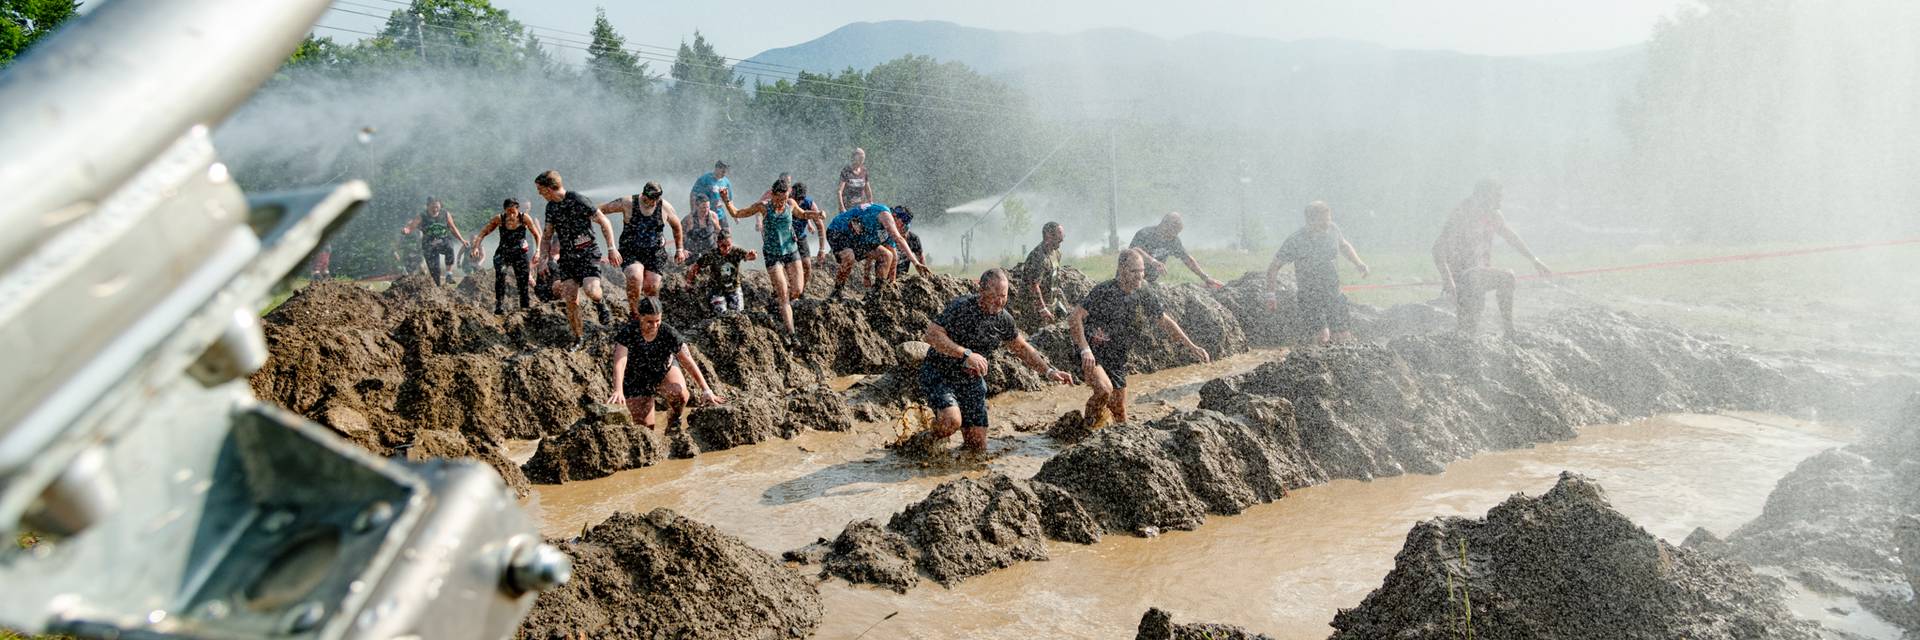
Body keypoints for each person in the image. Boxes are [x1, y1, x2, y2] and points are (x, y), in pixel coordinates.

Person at [920, 269, 1074, 453]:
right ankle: (922, 442)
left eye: (1003, 296)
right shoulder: (961, 307)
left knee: (977, 447)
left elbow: (1022, 348)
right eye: (994, 295)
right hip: (940, 373)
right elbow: (931, 335)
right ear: (981, 290)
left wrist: (1049, 371)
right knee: (951, 422)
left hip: (970, 380)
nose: (999, 301)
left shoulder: (1003, 319)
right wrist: (966, 354)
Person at [1072, 249, 1210, 426]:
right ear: (1121, 269)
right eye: (1134, 271)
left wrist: (1192, 346)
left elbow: (1164, 321)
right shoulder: (1104, 291)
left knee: (1120, 413)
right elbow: (1074, 317)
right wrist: (1085, 349)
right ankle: (1085, 427)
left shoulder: (1143, 292)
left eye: (1142, 270)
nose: (1139, 276)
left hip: (1117, 356)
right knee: (1104, 390)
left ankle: (1102, 427)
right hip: (1092, 353)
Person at [1432, 180, 1552, 336]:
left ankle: (1459, 346)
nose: (1501, 201)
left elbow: (1511, 237)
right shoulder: (1462, 213)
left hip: (1479, 277)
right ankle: (1509, 332)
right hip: (1463, 276)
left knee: (1468, 329)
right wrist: (1448, 280)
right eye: (1498, 196)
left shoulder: (1493, 215)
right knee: (1507, 277)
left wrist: (1534, 260)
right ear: (1484, 196)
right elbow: (1437, 249)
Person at [723, 178, 824, 335]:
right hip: (772, 254)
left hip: (791, 250)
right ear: (772, 194)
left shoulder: (790, 204)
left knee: (797, 290)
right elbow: (737, 213)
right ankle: (791, 332)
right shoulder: (763, 207)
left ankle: (780, 307)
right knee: (783, 294)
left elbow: (803, 214)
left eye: (784, 198)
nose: (780, 202)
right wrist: (726, 200)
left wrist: (817, 214)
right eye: (778, 198)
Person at [608, 298, 725, 432]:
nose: (654, 326)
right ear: (640, 317)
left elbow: (688, 361)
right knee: (646, 428)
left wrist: (706, 390)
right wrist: (618, 390)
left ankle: (674, 420)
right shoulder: (628, 332)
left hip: (663, 370)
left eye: (658, 321)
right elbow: (620, 362)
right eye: (649, 322)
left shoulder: (668, 332)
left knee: (679, 394)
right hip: (636, 377)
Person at [534, 169, 619, 349]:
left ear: (549, 188)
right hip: (568, 257)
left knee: (591, 290)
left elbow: (604, 221)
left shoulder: (577, 200)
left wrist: (611, 248)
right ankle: (578, 338)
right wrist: (542, 259)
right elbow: (547, 235)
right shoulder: (551, 207)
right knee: (570, 298)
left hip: (588, 253)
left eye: (540, 190)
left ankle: (600, 303)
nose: (539, 194)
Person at [1266, 201, 1370, 345]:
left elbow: (1344, 246)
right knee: (1322, 338)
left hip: (1334, 292)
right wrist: (1271, 295)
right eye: (1323, 222)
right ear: (1310, 221)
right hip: (1309, 297)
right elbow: (1273, 268)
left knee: (1343, 337)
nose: (1327, 225)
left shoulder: (1333, 229)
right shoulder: (1296, 240)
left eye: (1329, 220)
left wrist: (1359, 263)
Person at [600, 181, 688, 318]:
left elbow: (677, 227)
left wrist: (679, 249)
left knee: (651, 286)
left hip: (655, 252)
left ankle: (652, 316)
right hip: (631, 250)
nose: (653, 203)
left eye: (656, 200)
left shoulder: (664, 207)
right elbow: (600, 211)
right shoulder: (628, 202)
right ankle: (634, 314)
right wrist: (611, 247)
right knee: (635, 276)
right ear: (643, 195)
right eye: (650, 199)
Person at [826, 202, 928, 298]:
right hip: (839, 231)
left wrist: (893, 283)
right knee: (849, 257)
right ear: (897, 218)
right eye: (903, 225)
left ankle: (877, 293)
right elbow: (899, 238)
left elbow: (894, 257)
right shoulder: (885, 214)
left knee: (887, 255)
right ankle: (837, 291)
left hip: (859, 239)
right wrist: (915, 263)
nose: (901, 228)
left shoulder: (887, 230)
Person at [469, 198, 544, 314]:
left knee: (522, 280)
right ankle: (499, 305)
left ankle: (524, 306)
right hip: (503, 253)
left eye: (513, 211)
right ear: (505, 210)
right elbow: (483, 232)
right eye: (508, 211)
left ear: (517, 209)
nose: (511, 215)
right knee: (500, 277)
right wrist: (475, 247)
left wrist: (538, 250)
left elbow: (537, 235)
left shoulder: (524, 218)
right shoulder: (500, 218)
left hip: (520, 254)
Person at [1129, 212, 1224, 288]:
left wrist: (1205, 277)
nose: (1172, 236)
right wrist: (1152, 261)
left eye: (1176, 233)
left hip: (1150, 283)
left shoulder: (1173, 240)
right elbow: (1133, 251)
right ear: (1164, 225)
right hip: (1130, 280)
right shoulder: (1145, 234)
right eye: (1171, 232)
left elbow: (1187, 259)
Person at [1012, 221, 1068, 332]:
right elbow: (1034, 285)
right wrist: (1042, 309)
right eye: (1059, 236)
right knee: (1037, 337)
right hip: (1033, 308)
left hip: (1049, 304)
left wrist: (1057, 302)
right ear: (1049, 235)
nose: (1062, 239)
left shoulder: (1056, 253)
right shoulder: (1038, 257)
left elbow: (1054, 279)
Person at [401, 197, 466, 286]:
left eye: (437, 207)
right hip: (429, 245)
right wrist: (406, 230)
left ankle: (449, 275)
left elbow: (453, 228)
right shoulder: (422, 216)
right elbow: (411, 226)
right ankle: (437, 287)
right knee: (435, 271)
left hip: (442, 240)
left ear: (440, 206)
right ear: (427, 206)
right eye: (433, 207)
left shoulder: (445, 214)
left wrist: (462, 240)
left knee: (450, 247)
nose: (435, 209)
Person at [689, 229, 756, 315]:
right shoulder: (712, 255)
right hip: (717, 290)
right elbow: (696, 266)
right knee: (721, 314)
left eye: (729, 245)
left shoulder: (736, 251)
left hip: (734, 289)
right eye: (723, 246)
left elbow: (748, 256)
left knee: (738, 314)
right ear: (718, 243)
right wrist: (689, 282)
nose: (727, 248)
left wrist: (752, 255)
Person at [689, 160, 733, 229]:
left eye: (726, 172)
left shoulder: (726, 182)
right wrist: (693, 212)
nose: (724, 174)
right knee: (708, 237)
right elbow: (693, 195)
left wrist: (734, 214)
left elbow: (729, 200)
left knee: (727, 238)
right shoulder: (704, 179)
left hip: (720, 214)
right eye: (723, 172)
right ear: (717, 168)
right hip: (705, 214)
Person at [682, 193, 721, 260]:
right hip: (693, 249)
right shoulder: (689, 219)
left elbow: (719, 231)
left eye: (708, 207)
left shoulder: (713, 216)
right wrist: (682, 249)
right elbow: (680, 234)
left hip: (710, 247)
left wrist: (719, 246)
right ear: (697, 206)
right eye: (703, 207)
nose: (706, 210)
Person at [837, 147, 873, 212]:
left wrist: (871, 202)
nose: (862, 160)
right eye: (860, 158)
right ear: (854, 157)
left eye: (863, 158)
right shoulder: (846, 171)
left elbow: (867, 190)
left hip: (861, 206)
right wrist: (842, 207)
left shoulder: (864, 171)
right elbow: (839, 191)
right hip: (848, 206)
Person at [892, 206, 924, 279]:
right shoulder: (888, 236)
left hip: (901, 277)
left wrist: (924, 275)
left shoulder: (913, 239)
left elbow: (921, 259)